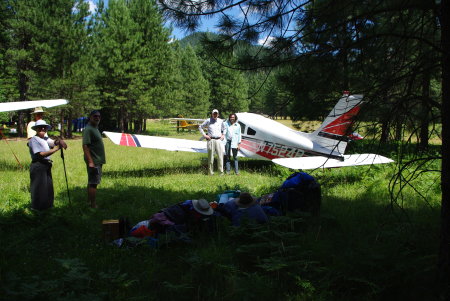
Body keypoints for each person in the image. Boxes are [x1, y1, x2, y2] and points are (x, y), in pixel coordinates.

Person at [28, 120, 67, 210]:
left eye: (44, 127)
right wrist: (57, 149)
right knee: (38, 188)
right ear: (36, 129)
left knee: (48, 188)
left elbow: (53, 142)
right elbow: (41, 154)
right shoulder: (34, 140)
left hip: (46, 165)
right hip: (38, 165)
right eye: (40, 127)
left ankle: (48, 207)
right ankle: (37, 209)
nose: (42, 128)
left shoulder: (45, 138)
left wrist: (59, 141)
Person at [82, 110, 105, 208]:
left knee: (91, 181)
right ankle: (93, 205)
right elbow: (85, 146)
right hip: (94, 160)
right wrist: (91, 161)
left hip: (97, 160)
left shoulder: (95, 128)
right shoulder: (89, 129)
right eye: (95, 116)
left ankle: (89, 202)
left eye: (99, 116)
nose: (97, 118)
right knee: (93, 183)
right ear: (90, 117)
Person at [199, 109, 226, 175]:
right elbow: (200, 127)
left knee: (220, 157)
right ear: (212, 114)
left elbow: (224, 128)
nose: (215, 115)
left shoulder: (220, 121)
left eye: (216, 114)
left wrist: (223, 135)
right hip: (211, 140)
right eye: (214, 113)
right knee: (211, 157)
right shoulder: (208, 120)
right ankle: (210, 172)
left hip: (219, 140)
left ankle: (221, 172)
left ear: (218, 114)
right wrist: (205, 135)